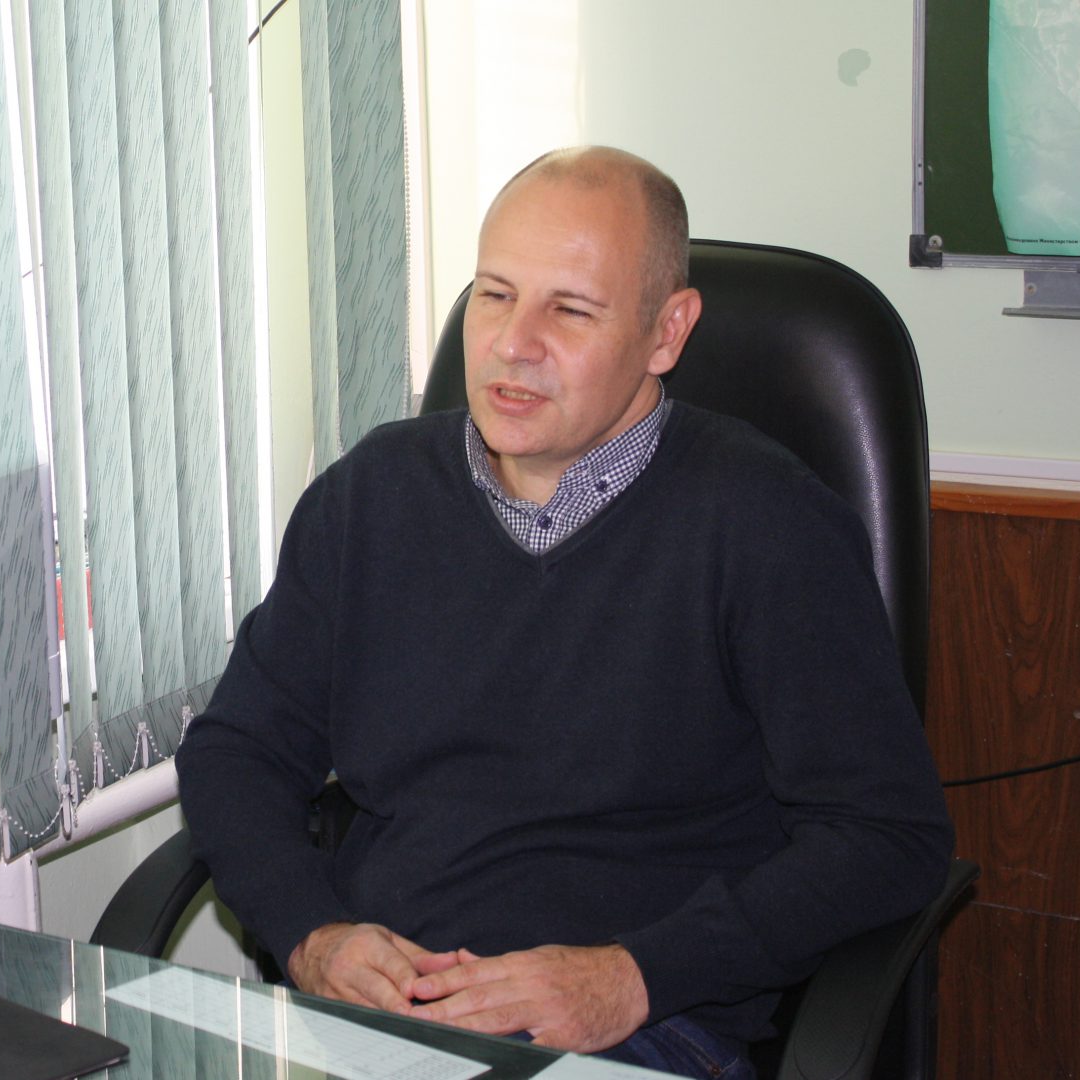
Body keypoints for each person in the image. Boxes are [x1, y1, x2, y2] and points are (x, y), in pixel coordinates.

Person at [173, 146, 953, 1080]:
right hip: (376, 1019)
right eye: (495, 295)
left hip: (632, 1030)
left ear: (667, 332)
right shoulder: (372, 495)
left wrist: (634, 976)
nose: (513, 343)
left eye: (570, 311)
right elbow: (238, 751)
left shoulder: (767, 525)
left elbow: (887, 837)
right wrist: (312, 934)